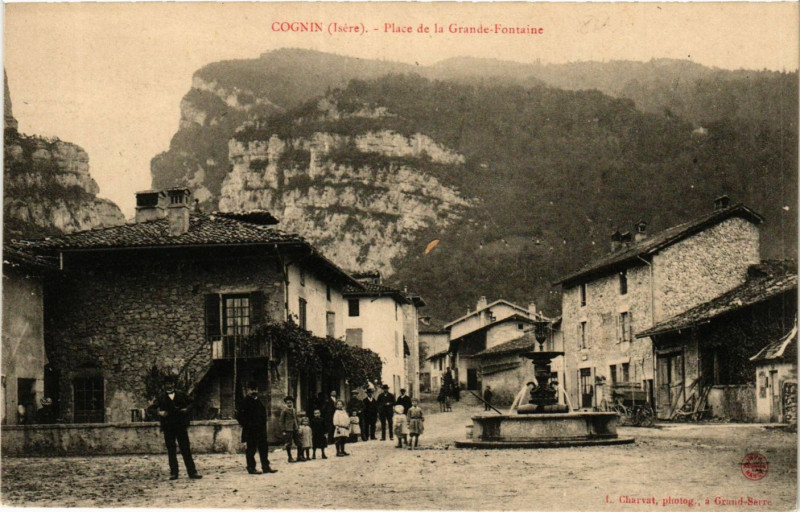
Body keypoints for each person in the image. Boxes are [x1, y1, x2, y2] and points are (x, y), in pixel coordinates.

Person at [156, 379, 201, 480]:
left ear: (173, 384)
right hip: (168, 427)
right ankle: (174, 473)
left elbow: (192, 403)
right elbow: (151, 408)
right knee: (171, 450)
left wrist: (187, 409)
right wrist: (159, 412)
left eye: (170, 383)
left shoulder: (181, 394)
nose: (169, 386)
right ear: (164, 385)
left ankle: (192, 472)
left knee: (185, 449)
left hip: (181, 426)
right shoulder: (161, 397)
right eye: (167, 384)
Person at [236, 382, 277, 475]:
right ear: (248, 390)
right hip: (250, 430)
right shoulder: (245, 402)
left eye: (255, 389)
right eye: (251, 389)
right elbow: (239, 416)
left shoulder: (258, 401)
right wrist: (247, 425)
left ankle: (266, 467)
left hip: (261, 430)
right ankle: (251, 467)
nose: (253, 391)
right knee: (251, 449)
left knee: (264, 448)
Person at [279, 396, 304, 463]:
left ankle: (299, 456)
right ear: (286, 404)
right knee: (288, 443)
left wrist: (298, 426)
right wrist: (283, 430)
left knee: (299, 442)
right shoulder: (284, 411)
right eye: (288, 403)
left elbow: (296, 419)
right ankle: (290, 457)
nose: (289, 404)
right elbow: (281, 421)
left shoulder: (294, 410)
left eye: (290, 402)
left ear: (292, 403)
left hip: (295, 428)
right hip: (288, 429)